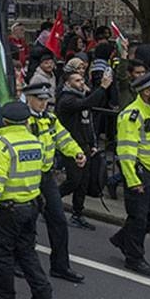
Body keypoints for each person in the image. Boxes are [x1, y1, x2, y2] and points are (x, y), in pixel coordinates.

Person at [0, 101, 54, 299]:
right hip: (31, 205)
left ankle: (5, 298)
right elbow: (45, 167)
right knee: (27, 252)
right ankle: (43, 292)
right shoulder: (35, 142)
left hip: (7, 210)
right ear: (27, 120)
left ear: (4, 121)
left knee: (1, 253)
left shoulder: (1, 145)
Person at [22, 82, 87, 284]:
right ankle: (21, 262)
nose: (43, 104)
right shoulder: (21, 119)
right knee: (26, 222)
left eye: (46, 100)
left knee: (58, 220)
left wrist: (76, 152)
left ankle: (60, 266)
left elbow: (63, 138)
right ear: (28, 98)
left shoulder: (50, 119)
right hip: (25, 176)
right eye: (39, 100)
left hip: (46, 176)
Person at [110, 71, 150, 277]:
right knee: (138, 217)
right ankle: (134, 258)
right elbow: (126, 151)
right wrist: (133, 179)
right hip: (139, 172)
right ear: (146, 92)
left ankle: (123, 239)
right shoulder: (132, 115)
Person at [56, 69, 112, 229]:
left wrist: (92, 144)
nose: (82, 83)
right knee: (74, 181)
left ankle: (77, 214)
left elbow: (87, 124)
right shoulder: (66, 100)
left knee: (83, 183)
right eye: (77, 81)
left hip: (85, 146)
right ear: (68, 83)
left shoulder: (82, 97)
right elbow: (85, 105)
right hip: (71, 147)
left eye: (82, 80)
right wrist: (101, 88)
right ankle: (50, 202)